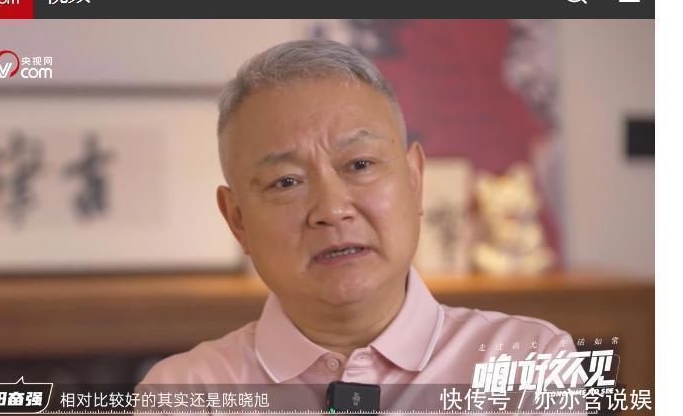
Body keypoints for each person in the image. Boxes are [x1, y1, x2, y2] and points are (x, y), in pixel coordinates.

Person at [136, 39, 574, 390]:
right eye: (286, 182)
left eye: (359, 164)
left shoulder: (530, 361)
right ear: (237, 220)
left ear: (414, 180)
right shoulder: (187, 391)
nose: (331, 210)